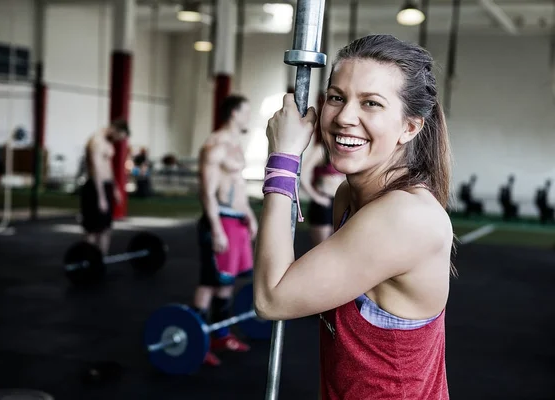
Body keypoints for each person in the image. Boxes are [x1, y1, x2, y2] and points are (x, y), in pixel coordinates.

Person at [254, 34, 454, 399]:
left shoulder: (403, 216)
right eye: (336, 97)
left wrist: (283, 159)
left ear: (410, 126)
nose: (345, 117)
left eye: (371, 103)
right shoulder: (350, 195)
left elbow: (272, 299)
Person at [193, 94, 258, 367]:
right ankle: (197, 340)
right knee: (210, 282)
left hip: (236, 220)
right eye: (245, 112)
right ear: (233, 113)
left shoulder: (235, 144)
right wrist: (217, 229)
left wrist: (249, 215)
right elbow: (207, 192)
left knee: (226, 281)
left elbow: (237, 185)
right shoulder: (215, 145)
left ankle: (220, 334)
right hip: (218, 220)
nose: (248, 117)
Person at [80, 119, 129, 254]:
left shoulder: (108, 143)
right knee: (92, 230)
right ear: (114, 129)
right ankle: (87, 260)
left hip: (106, 187)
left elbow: (108, 167)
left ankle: (101, 261)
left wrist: (115, 188)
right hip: (95, 188)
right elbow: (96, 169)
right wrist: (101, 197)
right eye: (119, 137)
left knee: (106, 229)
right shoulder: (96, 141)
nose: (118, 141)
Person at [300, 139, 345, 246]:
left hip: (341, 203)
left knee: (339, 248)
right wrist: (316, 197)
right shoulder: (322, 149)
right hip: (324, 203)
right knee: (321, 248)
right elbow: (302, 175)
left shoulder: (348, 149)